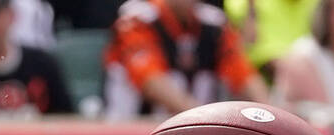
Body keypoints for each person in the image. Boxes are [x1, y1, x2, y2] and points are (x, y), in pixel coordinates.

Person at [103, 0, 269, 119]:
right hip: (136, 129)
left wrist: (270, 115)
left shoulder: (214, 23)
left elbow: (245, 76)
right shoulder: (137, 19)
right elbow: (151, 82)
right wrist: (205, 118)